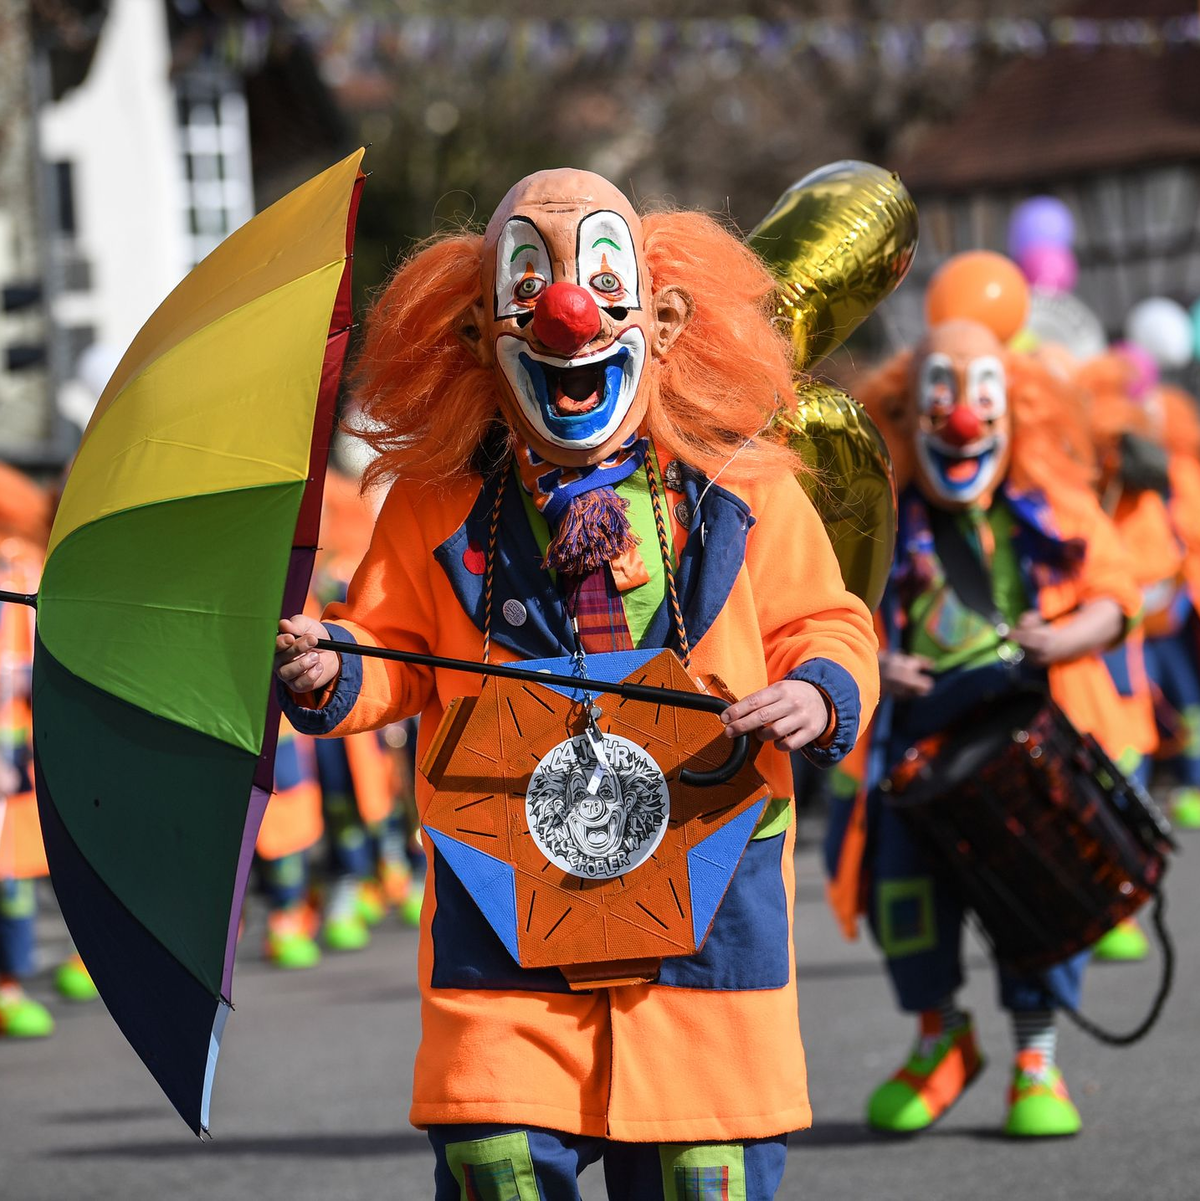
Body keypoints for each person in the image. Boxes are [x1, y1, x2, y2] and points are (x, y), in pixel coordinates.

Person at [275, 168, 879, 1199]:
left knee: (703, 1166)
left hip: (702, 890)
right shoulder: (435, 506)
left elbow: (825, 621)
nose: (567, 311)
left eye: (602, 279)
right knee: (495, 1160)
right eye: (530, 284)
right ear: (477, 332)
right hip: (506, 900)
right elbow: (387, 649)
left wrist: (818, 690)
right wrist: (335, 667)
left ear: (665, 317)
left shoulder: (746, 483)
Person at [835, 297, 1141, 1139]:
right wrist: (875, 663)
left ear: (1016, 410)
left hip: (1024, 738)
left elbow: (1118, 599)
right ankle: (942, 1040)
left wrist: (1066, 634)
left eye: (979, 398)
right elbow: (828, 613)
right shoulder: (880, 516)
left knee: (1035, 892)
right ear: (905, 413)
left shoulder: (1049, 504)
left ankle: (1036, 1057)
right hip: (916, 747)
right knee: (905, 899)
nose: (961, 420)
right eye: (939, 398)